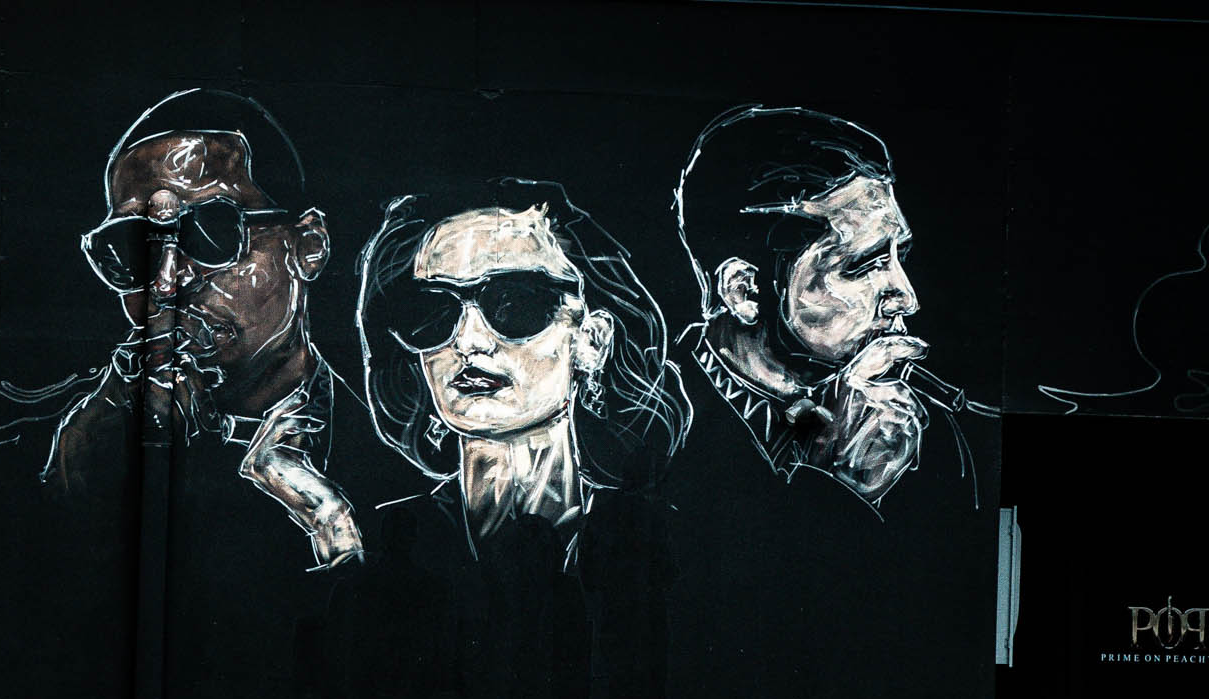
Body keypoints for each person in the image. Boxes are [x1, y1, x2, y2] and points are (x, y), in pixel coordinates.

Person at [42, 89, 362, 570]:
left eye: (212, 230)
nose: (167, 282)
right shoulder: (83, 445)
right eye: (135, 248)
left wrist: (331, 523)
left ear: (307, 247)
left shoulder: (399, 471)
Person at [357, 179, 689, 557]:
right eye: (431, 311)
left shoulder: (661, 542)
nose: (469, 342)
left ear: (591, 340)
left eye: (516, 304)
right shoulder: (380, 548)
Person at [674, 104, 970, 507]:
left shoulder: (914, 430)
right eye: (862, 265)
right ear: (744, 291)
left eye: (902, 257)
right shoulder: (658, 421)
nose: (906, 298)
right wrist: (837, 491)